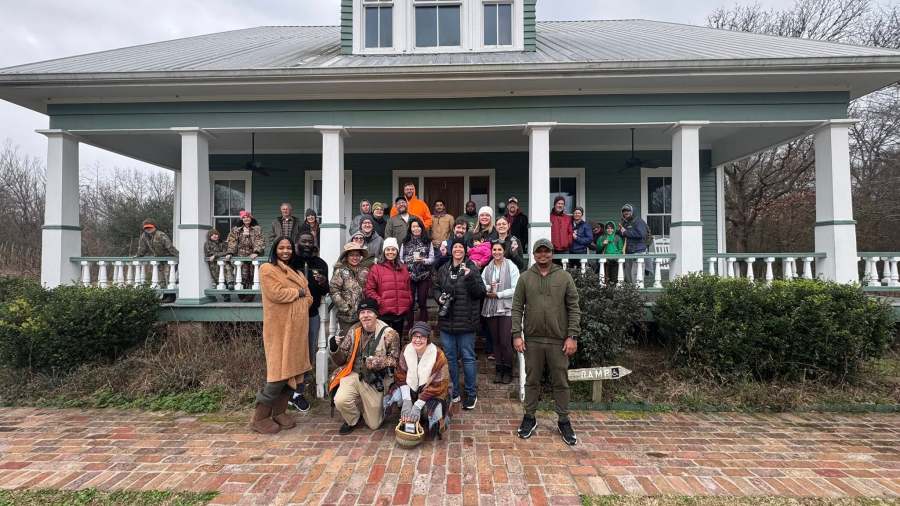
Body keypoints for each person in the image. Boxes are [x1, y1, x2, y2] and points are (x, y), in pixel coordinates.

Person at [512, 238, 581, 446]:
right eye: (539, 252)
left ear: (552, 253)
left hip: (558, 340)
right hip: (532, 340)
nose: (543, 255)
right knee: (531, 380)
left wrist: (572, 335)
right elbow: (517, 307)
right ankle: (529, 417)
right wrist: (516, 334)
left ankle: (563, 420)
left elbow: (574, 307)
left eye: (547, 251)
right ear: (534, 255)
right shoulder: (525, 278)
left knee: (560, 381)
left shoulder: (564, 277)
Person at [251, 236, 314, 434]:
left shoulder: (297, 272)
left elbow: (309, 297)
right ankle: (259, 418)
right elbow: (276, 294)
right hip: (279, 330)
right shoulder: (267, 269)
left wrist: (299, 297)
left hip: (297, 330)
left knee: (293, 374)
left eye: (288, 248)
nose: (285, 251)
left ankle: (279, 412)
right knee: (277, 375)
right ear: (275, 250)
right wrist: (298, 294)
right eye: (281, 247)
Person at [328, 298, 400, 434]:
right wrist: (334, 347)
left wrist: (378, 362)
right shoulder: (354, 330)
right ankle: (353, 419)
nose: (365, 315)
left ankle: (370, 409)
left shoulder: (390, 333)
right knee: (340, 400)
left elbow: (395, 360)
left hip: (374, 379)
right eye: (362, 313)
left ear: (376, 314)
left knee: (374, 424)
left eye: (369, 312)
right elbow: (341, 360)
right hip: (353, 374)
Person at [433, 237, 486, 410]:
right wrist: (439, 298)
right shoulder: (443, 269)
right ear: (451, 250)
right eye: (455, 246)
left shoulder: (472, 268)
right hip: (447, 321)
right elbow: (436, 287)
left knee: (468, 358)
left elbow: (480, 293)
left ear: (465, 250)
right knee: (450, 359)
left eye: (461, 247)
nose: (458, 249)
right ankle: (454, 391)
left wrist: (470, 277)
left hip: (466, 322)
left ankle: (471, 393)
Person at [384, 322, 451, 441]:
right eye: (415, 336)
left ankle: (424, 413)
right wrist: (407, 400)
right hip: (411, 390)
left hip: (431, 393)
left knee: (434, 413)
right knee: (395, 397)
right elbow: (400, 375)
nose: (418, 340)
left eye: (422, 337)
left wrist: (418, 405)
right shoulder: (406, 349)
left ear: (428, 338)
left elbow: (439, 385)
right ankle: (406, 410)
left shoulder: (438, 355)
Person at [287, 232, 330, 413]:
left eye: (310, 241)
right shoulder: (290, 262)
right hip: (290, 314)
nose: (307, 244)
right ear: (297, 242)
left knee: (308, 353)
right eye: (303, 241)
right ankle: (286, 389)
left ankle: (298, 392)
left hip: (312, 315)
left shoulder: (320, 264)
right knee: (290, 351)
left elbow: (326, 289)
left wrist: (322, 283)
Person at [481, 240, 520, 384]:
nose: (496, 252)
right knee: (495, 341)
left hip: (506, 308)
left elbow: (516, 288)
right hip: (491, 307)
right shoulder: (487, 268)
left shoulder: (511, 266)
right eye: (494, 250)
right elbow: (481, 283)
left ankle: (508, 370)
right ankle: (499, 369)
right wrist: (488, 288)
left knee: (505, 341)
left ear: (504, 251)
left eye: (499, 250)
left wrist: (499, 294)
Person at [365, 237, 413, 338]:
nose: (390, 252)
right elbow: (369, 290)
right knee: (383, 341)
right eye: (388, 249)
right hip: (383, 313)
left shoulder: (403, 268)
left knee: (397, 341)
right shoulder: (376, 268)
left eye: (393, 249)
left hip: (400, 313)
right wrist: (380, 301)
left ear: (397, 251)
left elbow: (408, 288)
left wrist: (408, 301)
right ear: (384, 251)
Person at [399, 217, 435, 327]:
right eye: (414, 226)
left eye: (418, 226)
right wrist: (407, 264)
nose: (416, 228)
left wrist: (423, 261)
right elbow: (400, 259)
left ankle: (423, 327)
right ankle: (410, 327)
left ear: (422, 228)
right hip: (409, 276)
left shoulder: (428, 241)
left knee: (422, 302)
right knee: (410, 303)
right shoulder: (405, 242)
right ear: (410, 228)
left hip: (424, 276)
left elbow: (432, 258)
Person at [330, 242, 370, 335]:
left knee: (363, 340)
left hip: (363, 314)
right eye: (352, 255)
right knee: (348, 340)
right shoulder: (340, 271)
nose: (355, 258)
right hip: (347, 317)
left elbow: (369, 289)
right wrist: (345, 307)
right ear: (346, 257)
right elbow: (334, 290)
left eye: (357, 255)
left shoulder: (365, 271)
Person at [226, 210, 265, 301]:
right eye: (244, 217)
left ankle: (250, 296)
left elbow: (260, 241)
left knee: (252, 276)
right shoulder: (236, 230)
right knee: (242, 276)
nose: (246, 219)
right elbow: (232, 242)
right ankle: (242, 295)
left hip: (253, 257)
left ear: (251, 218)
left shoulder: (257, 229)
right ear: (241, 219)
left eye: (248, 217)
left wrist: (256, 252)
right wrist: (230, 252)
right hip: (241, 256)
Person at [137, 218, 179, 301]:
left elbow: (170, 247)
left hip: (169, 259)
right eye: (146, 228)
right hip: (159, 259)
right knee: (161, 279)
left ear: (154, 227)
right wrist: (138, 255)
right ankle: (165, 296)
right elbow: (142, 248)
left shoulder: (161, 235)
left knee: (168, 278)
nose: (148, 229)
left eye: (150, 227)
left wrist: (178, 256)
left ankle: (171, 296)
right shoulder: (144, 236)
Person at [617, 204, 653, 284]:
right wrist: (620, 231)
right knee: (628, 275)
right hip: (629, 252)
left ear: (633, 211)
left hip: (638, 251)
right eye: (624, 211)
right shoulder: (625, 223)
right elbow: (624, 234)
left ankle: (638, 291)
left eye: (628, 210)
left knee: (636, 275)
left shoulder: (638, 221)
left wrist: (625, 232)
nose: (625, 212)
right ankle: (631, 291)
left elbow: (641, 234)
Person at [204, 228, 233, 293]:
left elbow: (226, 251)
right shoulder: (207, 244)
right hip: (214, 265)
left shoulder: (223, 243)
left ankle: (230, 283)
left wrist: (216, 255)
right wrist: (218, 255)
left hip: (224, 263)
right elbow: (209, 253)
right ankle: (225, 295)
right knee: (218, 280)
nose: (215, 236)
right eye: (212, 235)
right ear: (210, 236)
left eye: (216, 234)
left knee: (228, 270)